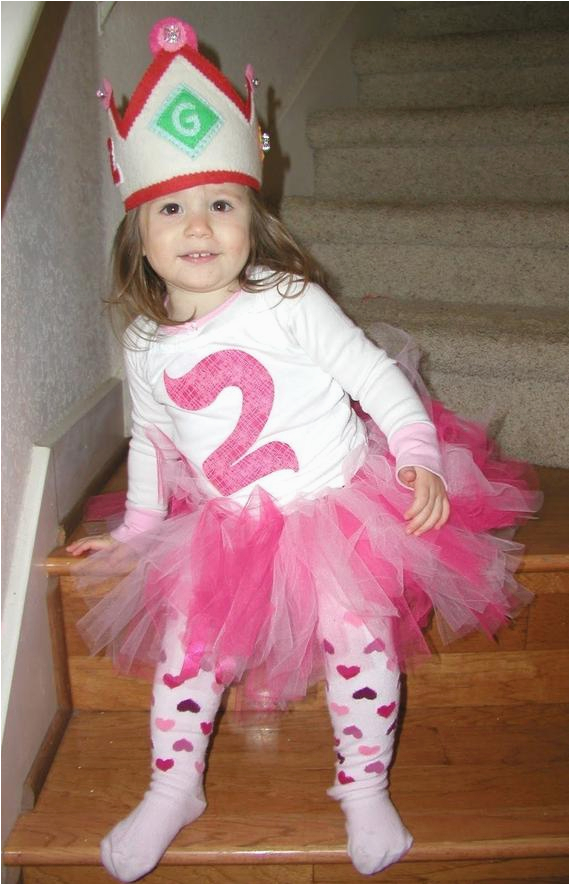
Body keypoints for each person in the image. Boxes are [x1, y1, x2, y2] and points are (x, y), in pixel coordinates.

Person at [68, 18, 541, 884]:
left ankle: (362, 785)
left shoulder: (289, 299)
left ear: (255, 217)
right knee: (187, 655)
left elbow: (377, 378)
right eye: (171, 207)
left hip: (336, 510)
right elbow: (153, 443)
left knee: (360, 644)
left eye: (223, 203)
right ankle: (174, 785)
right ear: (139, 234)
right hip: (228, 525)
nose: (199, 224)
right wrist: (137, 532)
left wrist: (418, 456)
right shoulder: (143, 343)